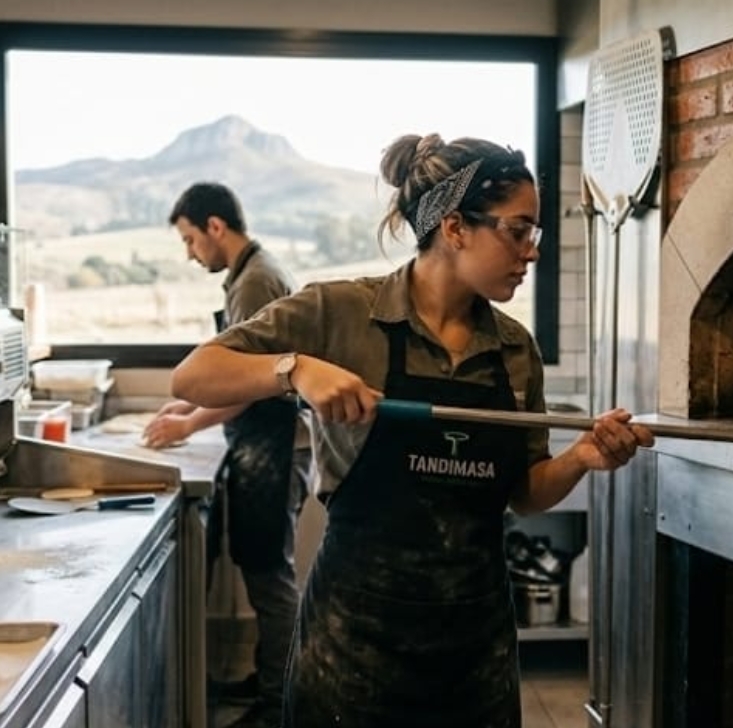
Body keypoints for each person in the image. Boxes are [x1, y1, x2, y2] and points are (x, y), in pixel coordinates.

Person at [170, 135, 653, 728]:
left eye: (535, 234)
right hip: (353, 643)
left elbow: (525, 494)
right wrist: (296, 368)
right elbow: (193, 377)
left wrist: (580, 458)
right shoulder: (340, 313)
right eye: (518, 230)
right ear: (454, 227)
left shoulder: (513, 349)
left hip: (474, 646)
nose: (531, 253)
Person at [144, 182, 311, 728]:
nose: (191, 254)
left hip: (277, 445)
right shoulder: (250, 274)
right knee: (263, 571)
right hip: (262, 444)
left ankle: (276, 705)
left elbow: (250, 382)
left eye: (191, 240)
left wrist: (191, 421)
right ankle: (270, 679)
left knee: (269, 577)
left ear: (216, 227)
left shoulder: (257, 281)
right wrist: (188, 403)